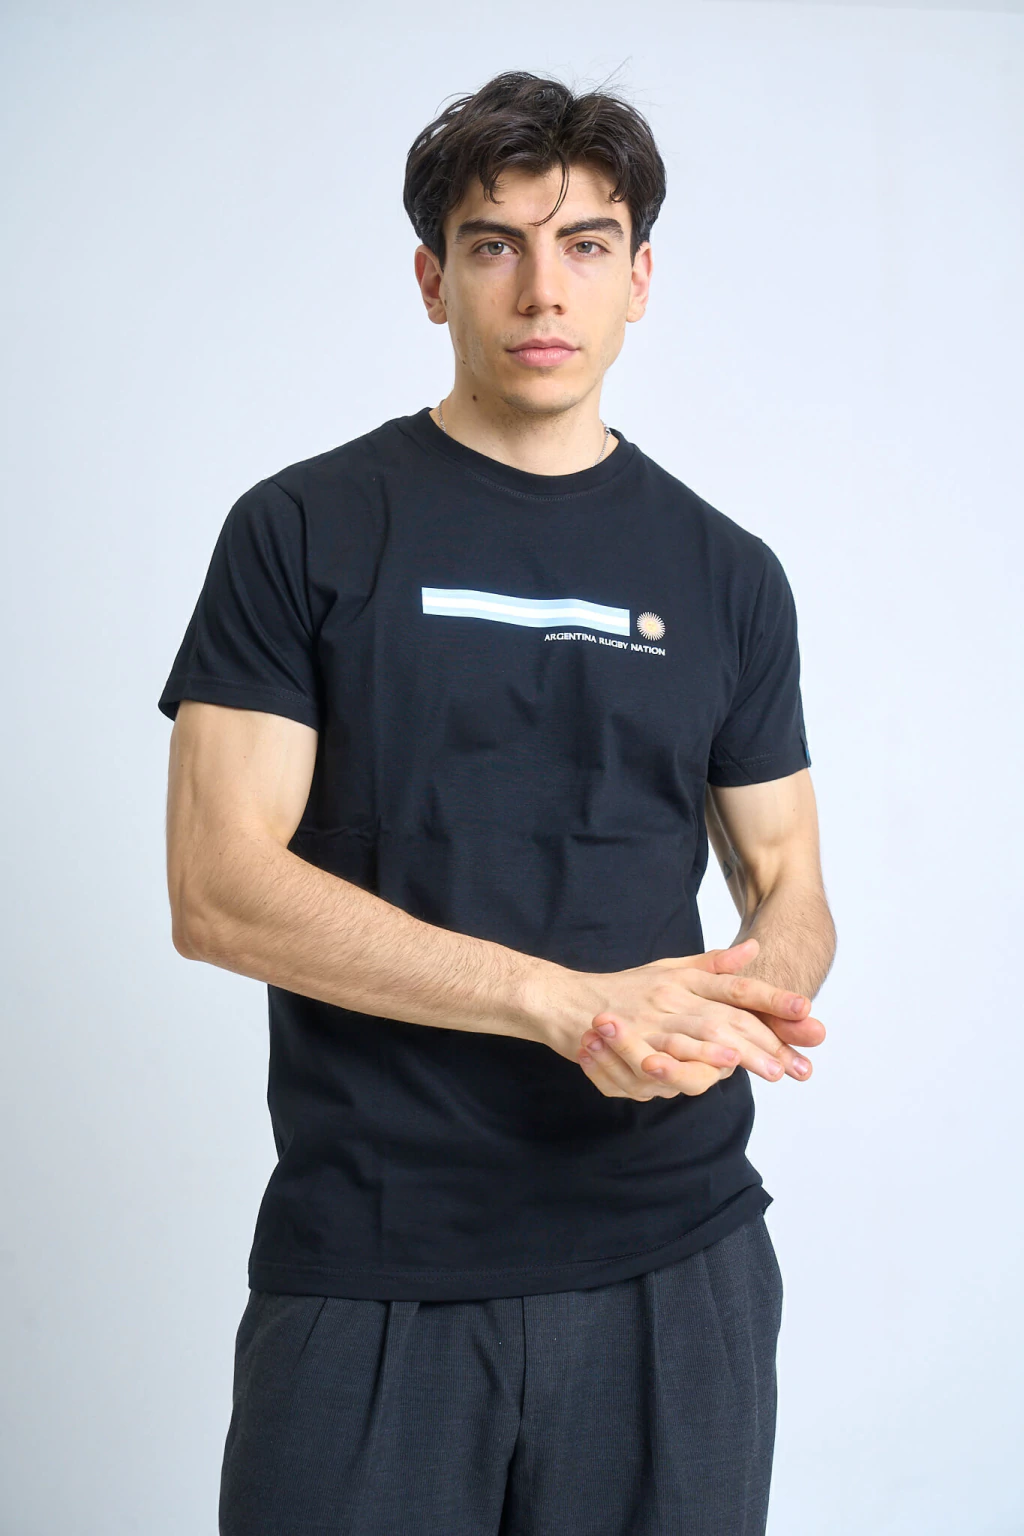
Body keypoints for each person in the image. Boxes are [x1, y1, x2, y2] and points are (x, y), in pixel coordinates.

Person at [158, 68, 835, 1536]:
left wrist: (742, 1002)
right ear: (432, 279)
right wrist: (565, 1007)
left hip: (677, 1261)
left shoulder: (729, 574)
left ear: (639, 278)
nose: (543, 288)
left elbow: (789, 881)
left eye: (586, 244)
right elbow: (216, 889)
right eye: (494, 244)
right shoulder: (301, 530)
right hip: (376, 1263)